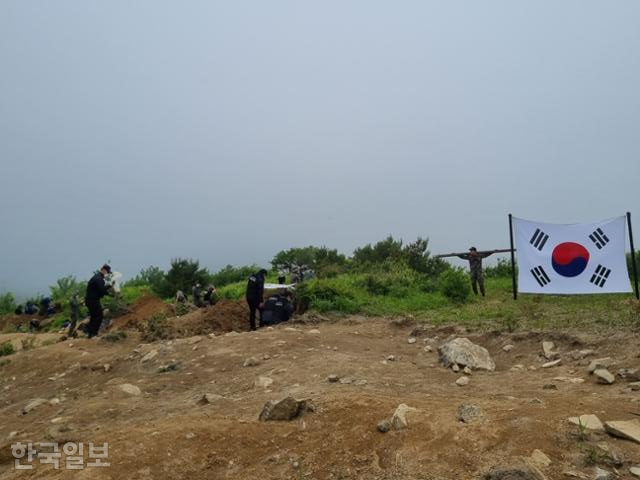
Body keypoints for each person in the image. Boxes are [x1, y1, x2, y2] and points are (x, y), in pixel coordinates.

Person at [84, 264, 113, 338]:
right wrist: (109, 293)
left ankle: (90, 334)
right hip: (93, 300)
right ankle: (94, 334)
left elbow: (100, 288)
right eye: (107, 272)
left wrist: (109, 286)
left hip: (90, 300)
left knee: (94, 317)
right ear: (103, 270)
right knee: (98, 316)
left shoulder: (97, 277)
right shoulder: (99, 278)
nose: (107, 274)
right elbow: (101, 290)